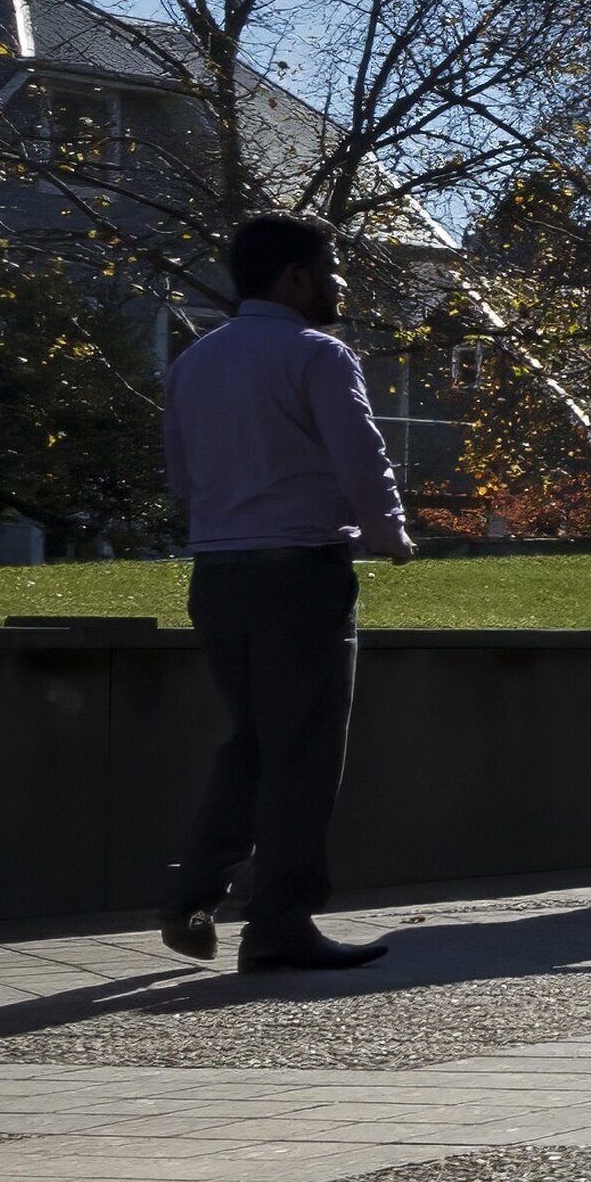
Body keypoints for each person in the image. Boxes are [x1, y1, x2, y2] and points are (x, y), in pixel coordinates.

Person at [156, 210, 415, 977]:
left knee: (253, 742)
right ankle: (278, 922)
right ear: (296, 276)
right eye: (331, 269)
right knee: (302, 751)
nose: (339, 283)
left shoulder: (193, 363)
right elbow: (362, 458)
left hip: (218, 574)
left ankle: (193, 893)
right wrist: (390, 534)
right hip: (299, 572)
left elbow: (179, 474)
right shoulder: (319, 354)